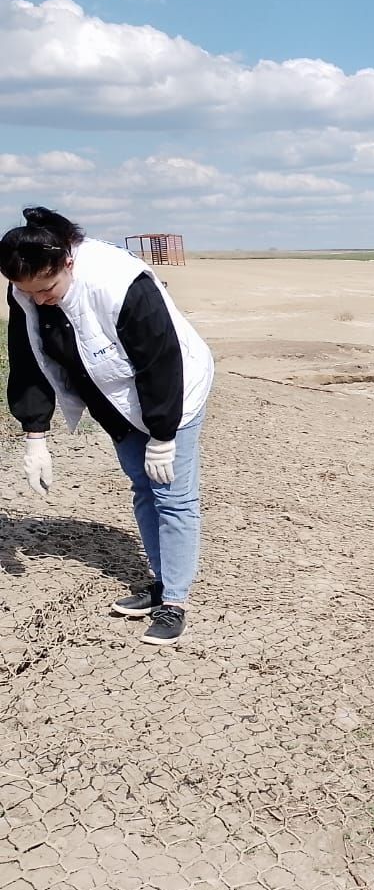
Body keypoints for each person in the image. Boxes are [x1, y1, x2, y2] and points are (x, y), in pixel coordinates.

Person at [2, 207, 214, 645]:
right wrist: (35, 436)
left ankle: (174, 601)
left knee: (173, 496)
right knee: (142, 485)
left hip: (175, 390)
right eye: (28, 292)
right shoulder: (26, 286)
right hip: (112, 394)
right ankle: (159, 581)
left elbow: (161, 362)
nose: (39, 299)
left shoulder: (120, 284)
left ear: (68, 263)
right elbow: (29, 361)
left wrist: (162, 434)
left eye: (48, 289)